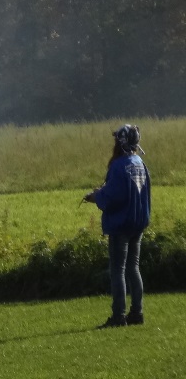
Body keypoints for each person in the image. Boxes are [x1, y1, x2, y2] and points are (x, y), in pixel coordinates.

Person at [84, 124, 151, 328]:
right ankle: (137, 313)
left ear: (120, 143)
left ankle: (118, 316)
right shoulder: (139, 162)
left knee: (117, 270)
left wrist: (96, 196)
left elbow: (112, 196)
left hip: (121, 223)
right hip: (137, 222)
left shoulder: (119, 165)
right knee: (133, 268)